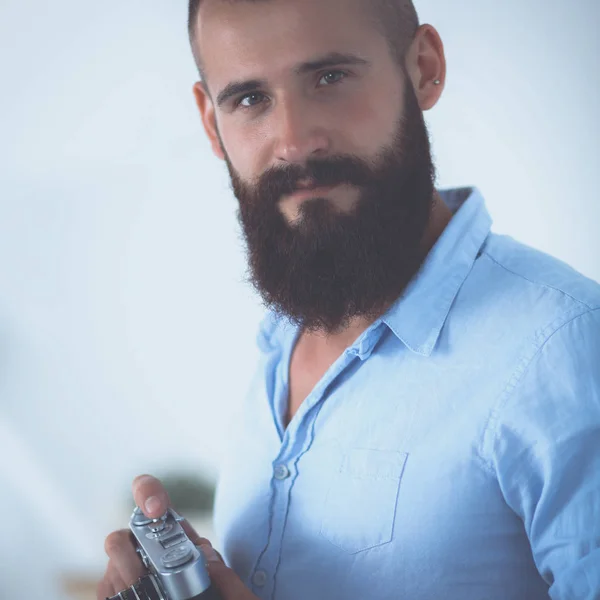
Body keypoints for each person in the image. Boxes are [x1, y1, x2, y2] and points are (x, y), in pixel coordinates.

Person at [97, 0, 600, 599]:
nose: (294, 142)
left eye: (329, 77)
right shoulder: (280, 341)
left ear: (424, 68)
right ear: (212, 123)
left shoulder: (566, 347)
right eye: (251, 99)